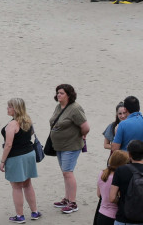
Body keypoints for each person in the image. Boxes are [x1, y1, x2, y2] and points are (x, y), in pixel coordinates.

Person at [47, 84, 89, 214]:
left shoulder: (75, 109)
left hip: (71, 145)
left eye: (62, 93)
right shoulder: (59, 106)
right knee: (65, 172)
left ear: (69, 95)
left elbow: (86, 127)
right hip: (59, 146)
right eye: (58, 92)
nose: (58, 95)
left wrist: (80, 135)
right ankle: (67, 199)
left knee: (68, 172)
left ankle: (73, 202)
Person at [0, 98, 39, 222]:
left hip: (17, 157)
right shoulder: (27, 120)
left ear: (15, 109)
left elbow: (8, 145)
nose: (7, 108)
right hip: (29, 154)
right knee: (28, 184)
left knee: (16, 186)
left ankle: (20, 215)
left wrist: (2, 161)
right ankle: (35, 212)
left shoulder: (12, 124)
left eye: (9, 106)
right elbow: (31, 134)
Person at [95, 150, 129, 225]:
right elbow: (113, 198)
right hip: (114, 215)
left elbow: (99, 194)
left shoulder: (102, 173)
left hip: (101, 213)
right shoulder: (119, 178)